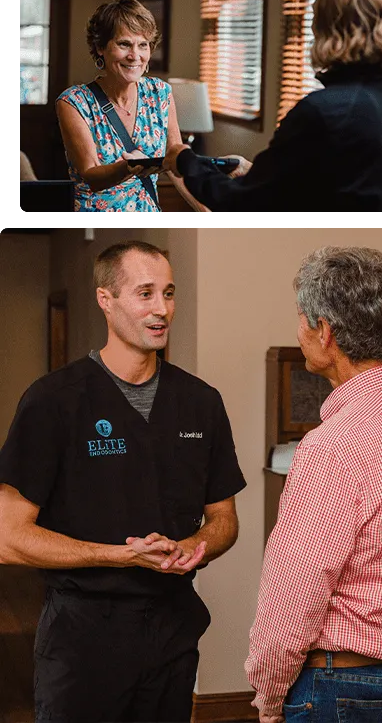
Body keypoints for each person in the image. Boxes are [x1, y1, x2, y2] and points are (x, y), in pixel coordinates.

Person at [0, 240, 246, 722]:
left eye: (170, 293)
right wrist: (118, 555)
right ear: (105, 300)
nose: (162, 310)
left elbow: (224, 520)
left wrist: (191, 547)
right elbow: (9, 538)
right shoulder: (53, 401)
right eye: (146, 294)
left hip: (172, 630)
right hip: (82, 634)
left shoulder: (201, 402)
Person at [246, 247, 382, 723]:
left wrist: (269, 701)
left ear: (325, 331)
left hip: (340, 685)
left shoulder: (332, 446)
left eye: (301, 319)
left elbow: (292, 600)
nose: (298, 331)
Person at [165, 0, 382, 213]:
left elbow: (241, 203)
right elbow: (340, 189)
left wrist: (186, 161)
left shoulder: (321, 112)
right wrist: (258, 174)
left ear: (324, 22)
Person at [55, 0, 209, 212]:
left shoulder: (160, 93)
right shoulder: (74, 102)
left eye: (143, 45)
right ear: (101, 47)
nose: (135, 56)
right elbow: (91, 175)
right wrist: (129, 168)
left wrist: (207, 212)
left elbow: (177, 166)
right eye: (124, 44)